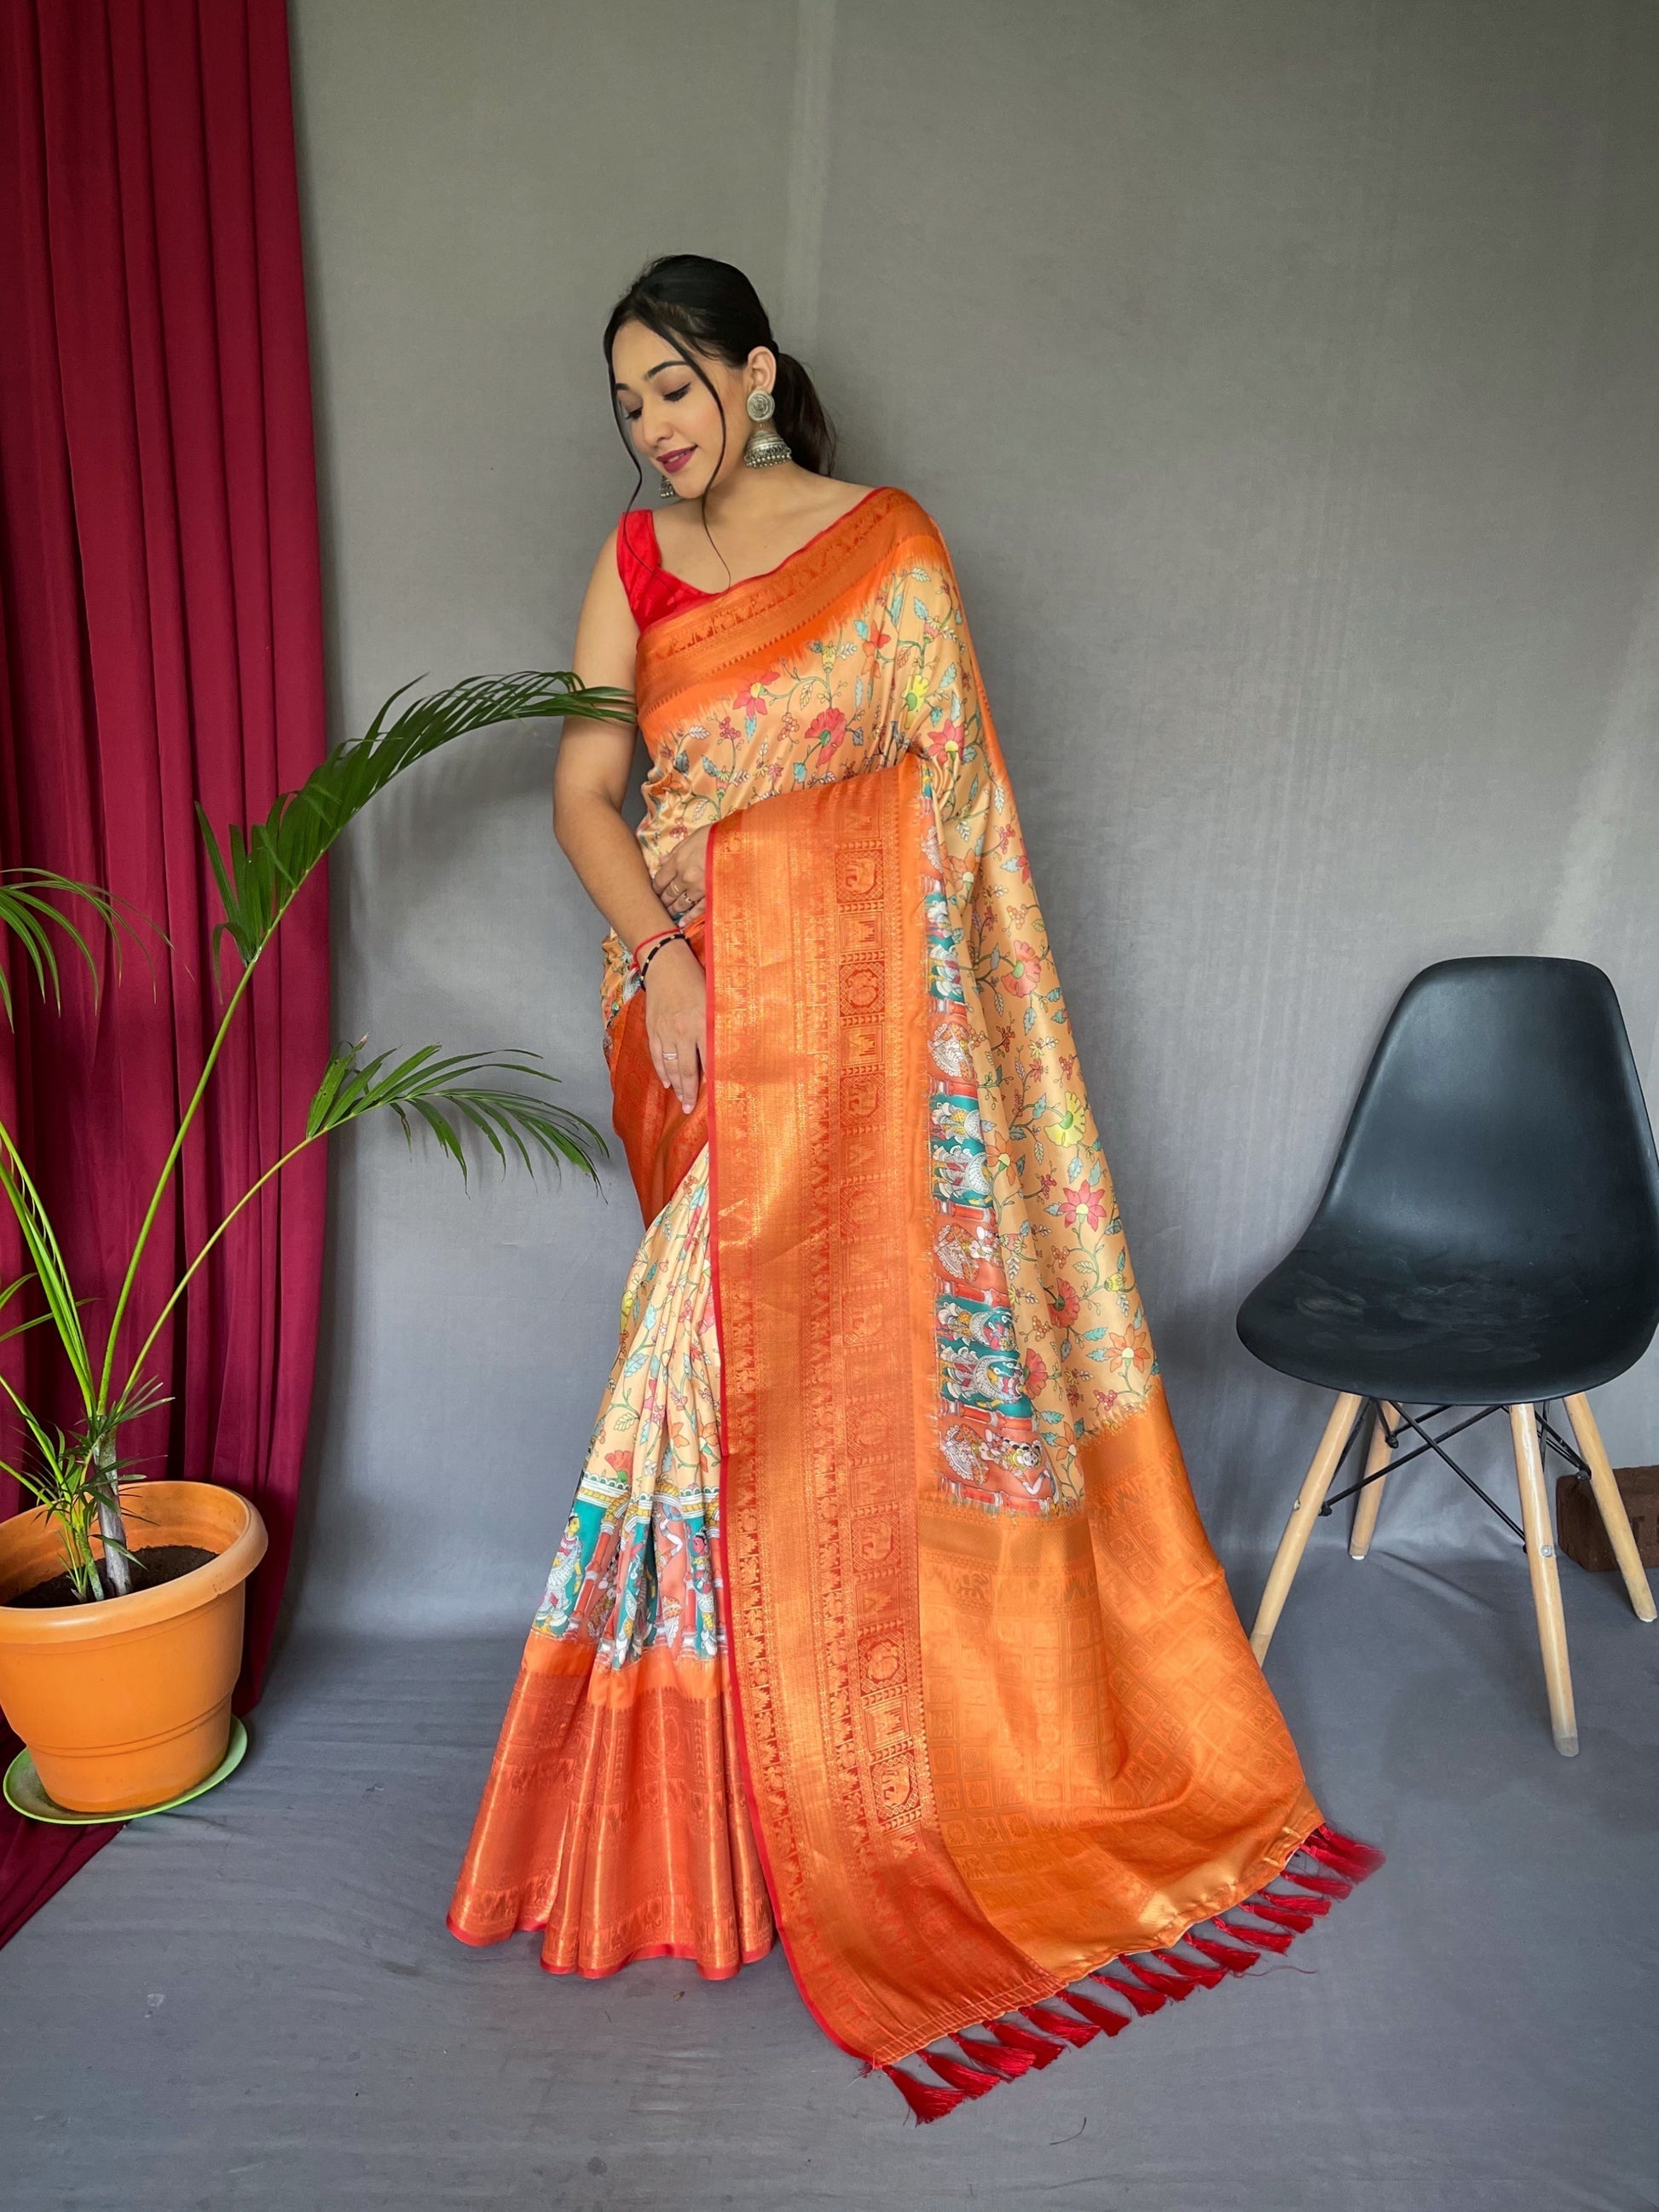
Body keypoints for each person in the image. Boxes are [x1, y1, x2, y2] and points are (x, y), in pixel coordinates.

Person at [448, 254, 1378, 2119]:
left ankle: (802, 1788)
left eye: (676, 385)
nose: (654, 425)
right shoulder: (631, 569)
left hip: (872, 1043)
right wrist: (675, 956)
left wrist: (798, 914)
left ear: (757, 371)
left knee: (743, 1389)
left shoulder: (886, 546)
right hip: (701, 1011)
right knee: (709, 1371)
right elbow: (583, 798)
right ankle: (701, 1807)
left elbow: (950, 815)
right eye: (627, 400)